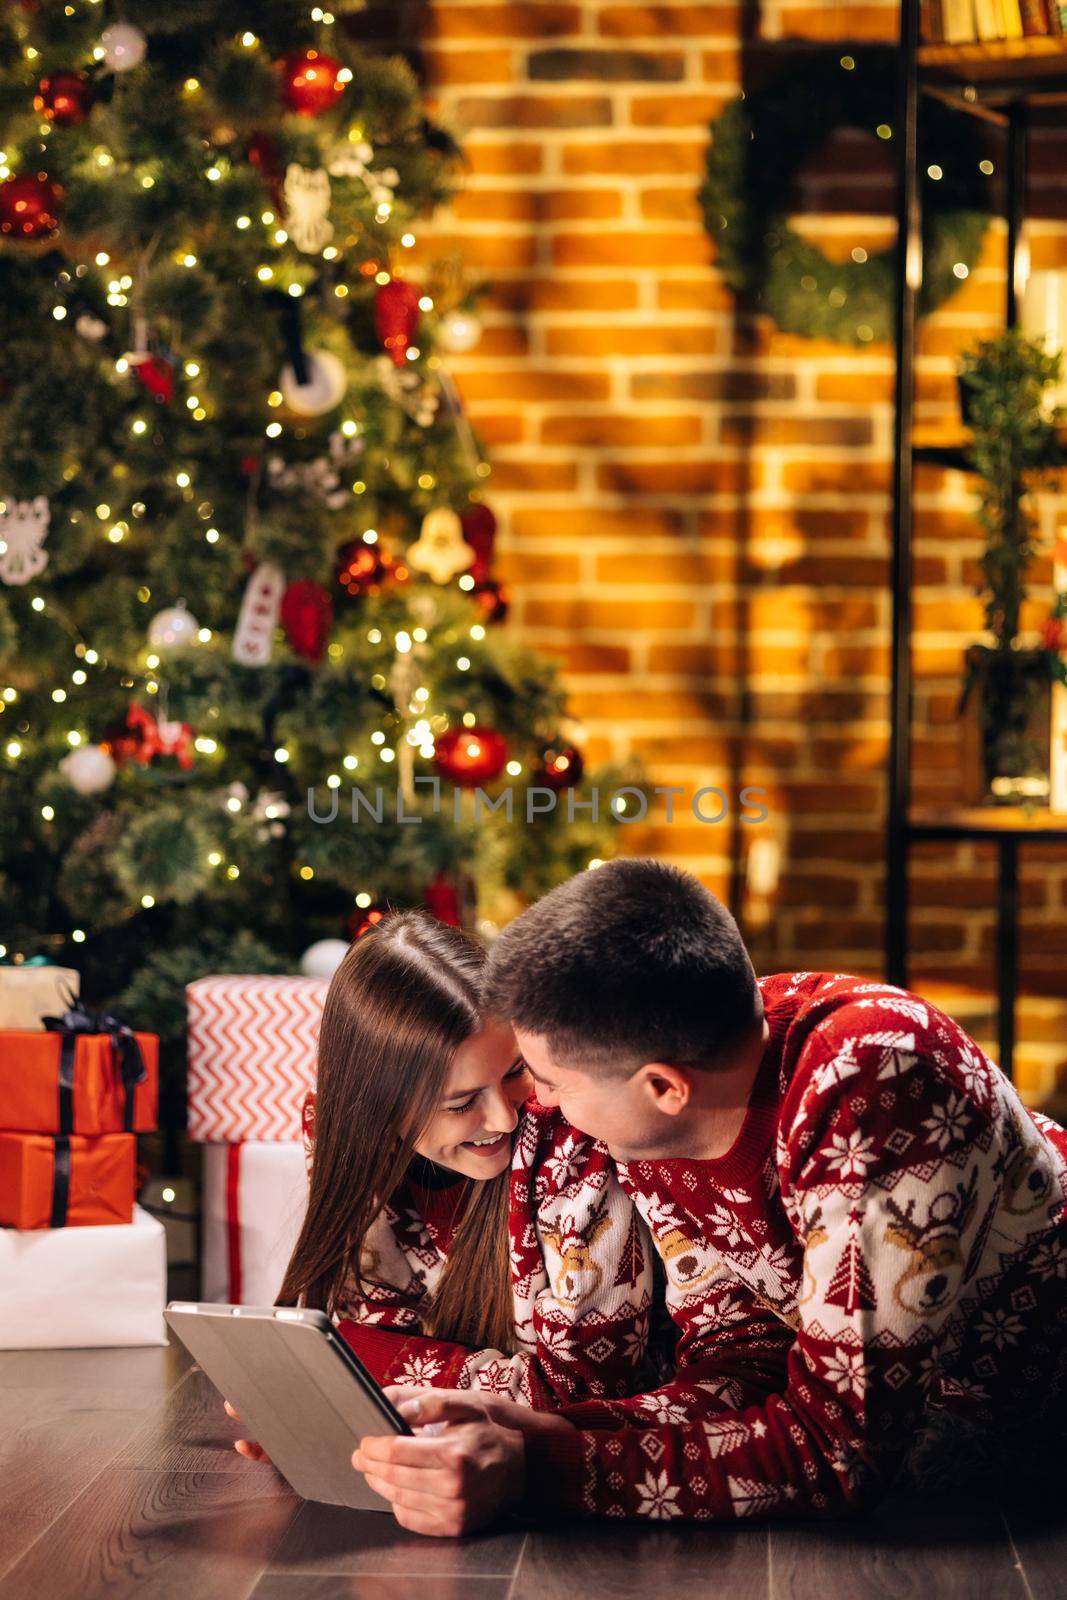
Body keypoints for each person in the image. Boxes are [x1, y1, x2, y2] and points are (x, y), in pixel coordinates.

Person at [352, 860, 1067, 1535]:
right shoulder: (664, 1113)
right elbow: (743, 1365)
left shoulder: (875, 1081)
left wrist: (540, 1471)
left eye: (547, 1080)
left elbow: (838, 1452)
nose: (534, 1108)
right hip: (943, 1459)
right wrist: (544, 1428)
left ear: (663, 1086)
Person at [231, 910, 651, 1470]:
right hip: (459, 1449)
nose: (504, 1117)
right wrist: (337, 1400)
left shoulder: (573, 1133)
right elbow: (373, 1316)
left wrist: (350, 1363)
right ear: (380, 1109)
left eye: (514, 1071)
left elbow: (582, 1388)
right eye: (460, 1103)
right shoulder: (342, 1132)